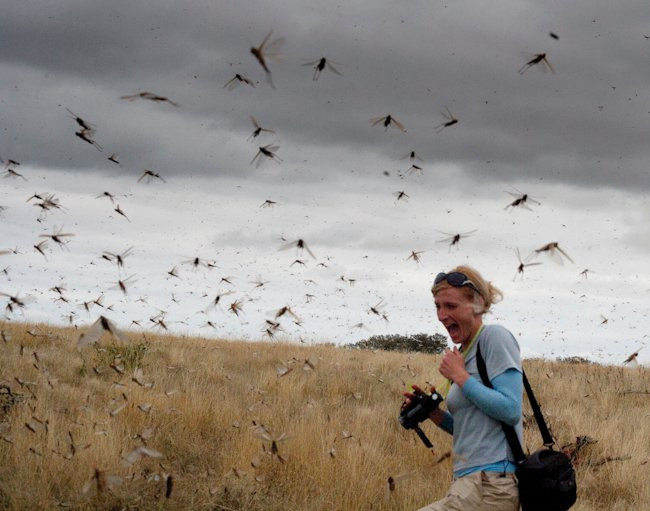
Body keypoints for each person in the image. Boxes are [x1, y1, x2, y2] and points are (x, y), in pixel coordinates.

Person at [404, 265, 523, 511]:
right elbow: (470, 429)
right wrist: (432, 413)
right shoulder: (464, 354)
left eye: (451, 306)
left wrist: (460, 376)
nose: (441, 315)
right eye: (438, 306)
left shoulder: (494, 337)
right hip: (470, 482)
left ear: (477, 305)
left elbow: (511, 410)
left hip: (491, 484)